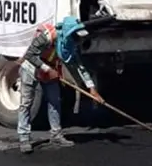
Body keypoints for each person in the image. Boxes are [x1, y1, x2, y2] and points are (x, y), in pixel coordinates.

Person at [14, 16, 103, 154]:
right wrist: (47, 70)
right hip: (31, 69)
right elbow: (30, 55)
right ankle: (24, 137)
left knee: (55, 102)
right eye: (75, 37)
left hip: (51, 70)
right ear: (68, 32)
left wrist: (91, 88)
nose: (77, 40)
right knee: (26, 103)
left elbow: (80, 66)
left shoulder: (71, 45)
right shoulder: (47, 36)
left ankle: (56, 135)